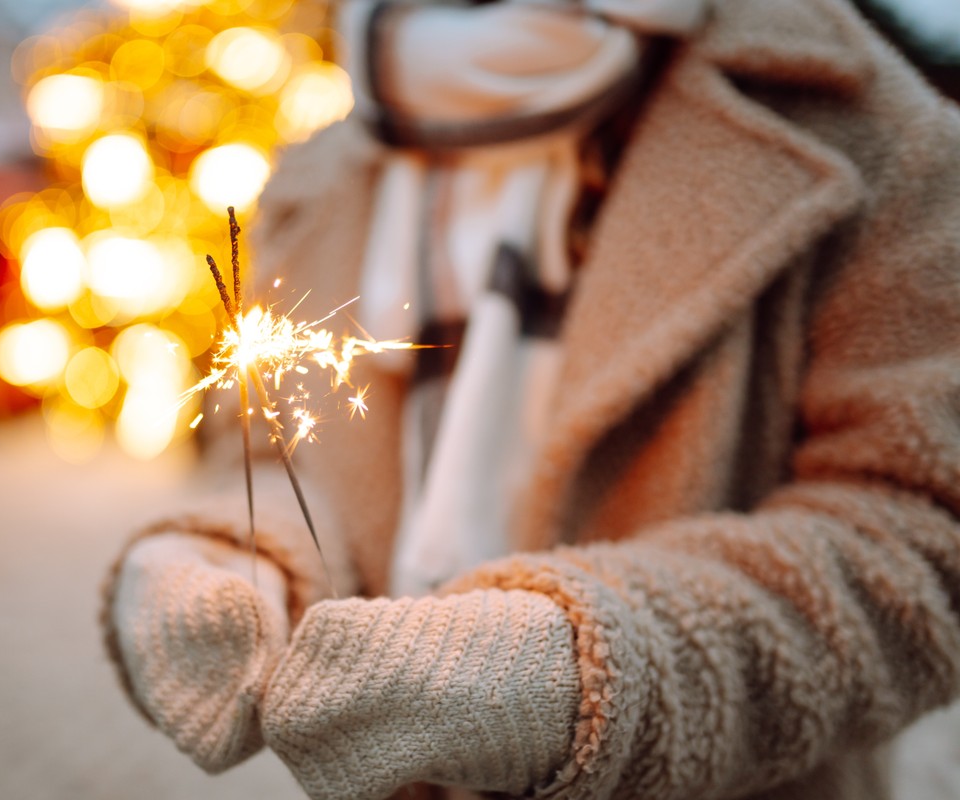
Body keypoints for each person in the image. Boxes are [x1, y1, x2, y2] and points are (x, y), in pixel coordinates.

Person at [102, 0, 960, 798]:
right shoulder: (325, 160)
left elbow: (923, 538)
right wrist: (238, 559)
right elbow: (266, 445)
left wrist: (576, 672)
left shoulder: (870, 122)